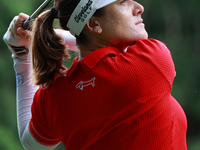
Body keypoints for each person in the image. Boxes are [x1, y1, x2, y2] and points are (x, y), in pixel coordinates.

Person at [3, 0, 187, 149]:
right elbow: (113, 48)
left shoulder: (53, 95)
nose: (139, 7)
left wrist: (21, 57)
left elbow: (31, 144)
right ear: (92, 23)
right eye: (123, 2)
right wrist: (49, 35)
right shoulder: (151, 61)